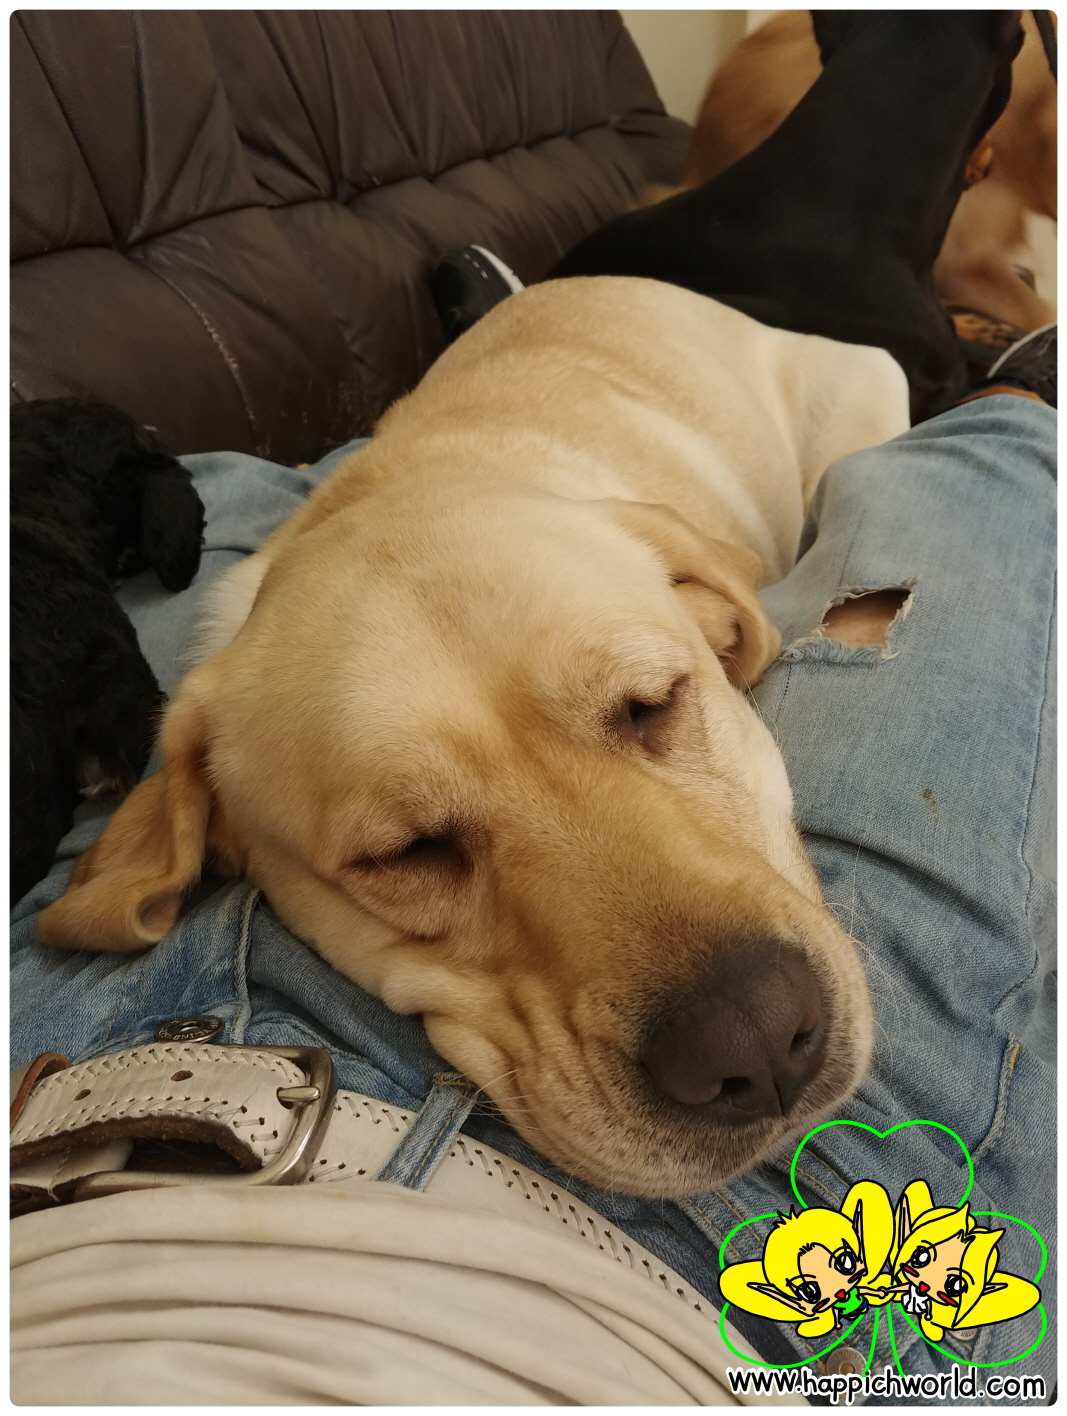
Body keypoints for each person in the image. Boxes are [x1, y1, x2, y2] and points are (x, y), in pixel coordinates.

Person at [11, 350, 1055, 1399]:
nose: (750, 1033)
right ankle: (1015, 395)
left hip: (60, 1127)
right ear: (214, 823)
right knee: (993, 456)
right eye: (417, 847)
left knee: (213, 494)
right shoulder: (223, 764)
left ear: (722, 627)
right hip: (720, 1288)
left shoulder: (622, 562)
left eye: (645, 707)